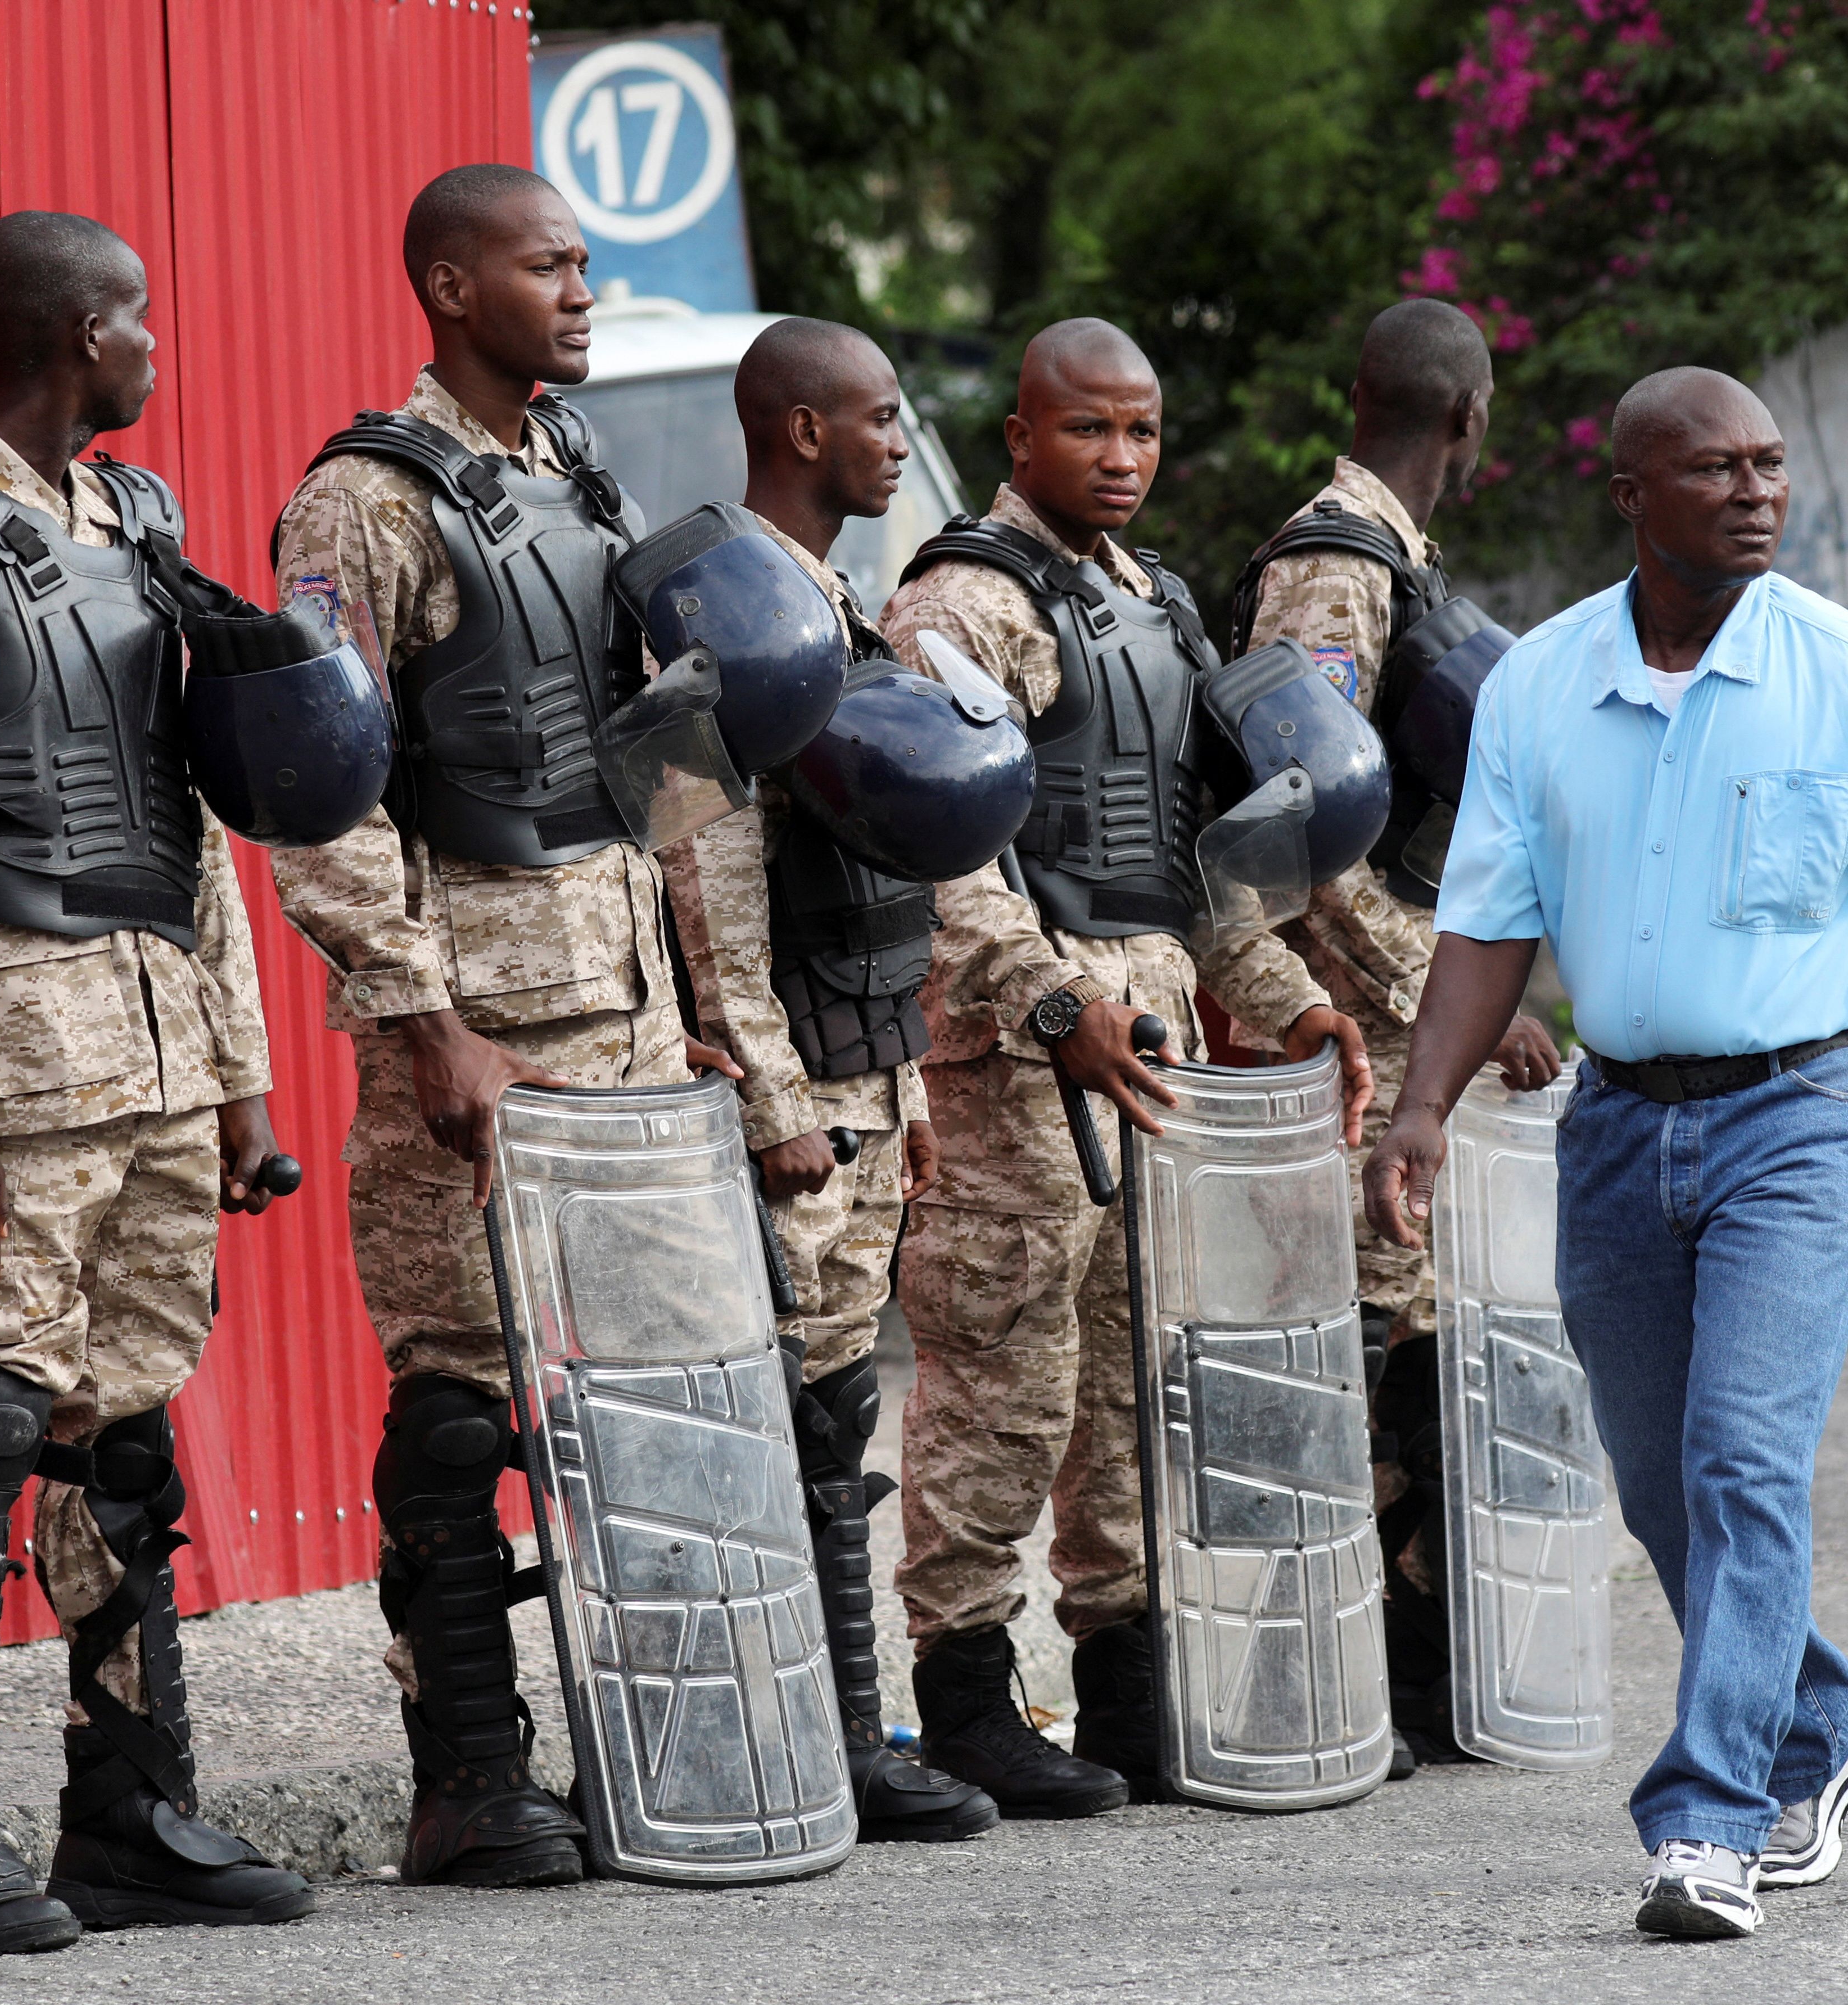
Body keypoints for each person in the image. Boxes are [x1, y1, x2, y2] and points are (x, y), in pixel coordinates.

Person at [1364, 366, 1848, 1939]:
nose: (1754, 492)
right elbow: (1484, 923)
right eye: (1713, 470)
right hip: (1615, 1122)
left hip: (1800, 1115)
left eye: (1769, 466)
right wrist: (1418, 1109)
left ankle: (1712, 1822)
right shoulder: (1536, 685)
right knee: (1663, 1484)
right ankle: (1824, 1728)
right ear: (1630, 495)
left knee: (1745, 1461)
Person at [0, 211, 315, 1957]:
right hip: (8, 1065)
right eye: (140, 322)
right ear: (74, 337)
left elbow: (190, 821)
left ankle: (128, 1814)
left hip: (159, 1045)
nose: (157, 349)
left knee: (120, 1437)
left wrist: (243, 1079)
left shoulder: (143, 530)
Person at [265, 164, 740, 1888]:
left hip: (614, 1016)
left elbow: (640, 764)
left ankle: (655, 1752)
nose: (583, 291)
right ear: (453, 288)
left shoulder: (576, 474)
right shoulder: (364, 504)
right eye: (550, 268)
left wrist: (685, 1004)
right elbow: (315, 793)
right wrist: (420, 1015)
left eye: (587, 264)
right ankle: (468, 1774)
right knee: (463, 1403)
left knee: (639, 1404)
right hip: (475, 1037)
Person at [879, 318, 1372, 1814]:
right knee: (1004, 1381)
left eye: (1141, 432)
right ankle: (962, 1692)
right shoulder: (963, 605)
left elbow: (1195, 870)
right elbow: (937, 858)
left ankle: (1126, 1691)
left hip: (1147, 1033)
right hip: (1025, 1059)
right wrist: (1047, 1005)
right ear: (1019, 436)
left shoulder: (1153, 608)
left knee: (1131, 1380)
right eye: (1087, 431)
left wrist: (1288, 1002)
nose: (1121, 459)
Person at [661, 317, 1003, 1843]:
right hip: (798, 1088)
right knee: (794, 1416)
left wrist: (906, 1082)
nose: (891, 445)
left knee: (837, 1414)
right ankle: (810, 1731)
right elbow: (711, 877)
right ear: (800, 432)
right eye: (873, 420)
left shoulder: (834, 602)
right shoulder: (737, 609)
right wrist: (772, 1103)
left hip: (869, 1063)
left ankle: (851, 1728)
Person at [1232, 298, 1559, 1765]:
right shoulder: (1329, 568)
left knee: (1419, 1350)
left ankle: (1420, 1681)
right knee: (1356, 1357)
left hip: (1403, 1021)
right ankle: (1306, 1691)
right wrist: (1452, 1002)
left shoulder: (1387, 560)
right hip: (1354, 1037)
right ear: (1467, 419)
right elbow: (1297, 836)